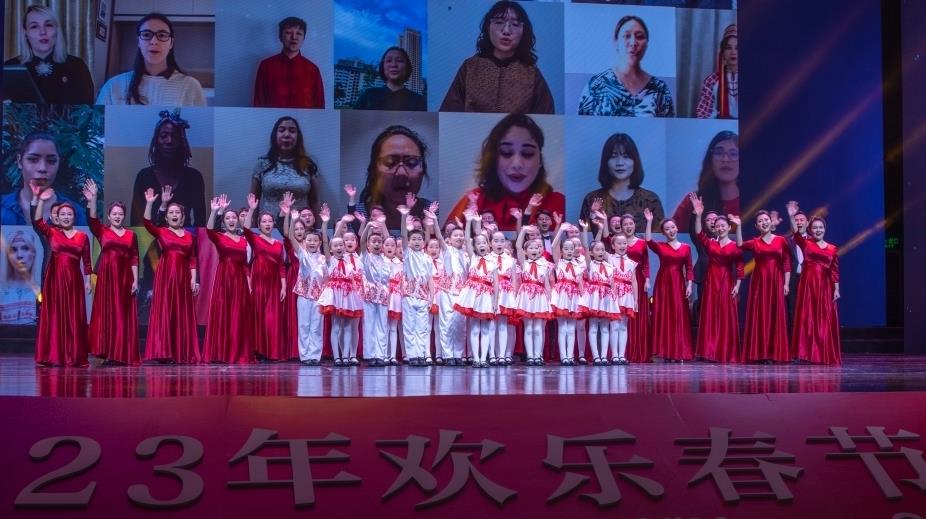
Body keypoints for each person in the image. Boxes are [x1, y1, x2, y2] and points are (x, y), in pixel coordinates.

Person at [445, 113, 564, 231]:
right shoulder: (473, 200)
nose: (517, 164)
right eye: (506, 152)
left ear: (540, 161)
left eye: (527, 153)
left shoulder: (558, 204)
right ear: (493, 159)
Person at [440, 1, 554, 114]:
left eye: (515, 24)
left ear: (524, 31)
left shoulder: (531, 74)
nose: (506, 31)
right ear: (488, 27)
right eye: (499, 22)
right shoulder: (470, 68)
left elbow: (547, 120)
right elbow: (448, 116)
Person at [31, 187, 91, 367]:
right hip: (54, 281)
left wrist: (88, 281)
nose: (66, 217)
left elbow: (87, 262)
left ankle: (74, 355)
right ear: (57, 217)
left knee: (73, 316)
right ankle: (54, 355)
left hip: (74, 281)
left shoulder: (82, 237)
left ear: (74, 217)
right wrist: (41, 200)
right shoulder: (52, 233)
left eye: (69, 214)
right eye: (62, 214)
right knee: (55, 316)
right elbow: (38, 221)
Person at [83, 180, 140, 365]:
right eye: (114, 214)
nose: (117, 216)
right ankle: (108, 352)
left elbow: (134, 258)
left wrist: (135, 280)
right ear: (108, 215)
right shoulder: (103, 231)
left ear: (124, 216)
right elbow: (92, 220)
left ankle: (121, 353)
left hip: (125, 279)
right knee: (108, 314)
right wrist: (93, 198)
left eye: (120, 214)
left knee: (122, 314)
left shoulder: (131, 235)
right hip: (107, 278)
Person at [142, 186, 200, 363]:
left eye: (177, 212)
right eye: (171, 212)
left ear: (182, 217)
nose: (174, 214)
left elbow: (192, 259)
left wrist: (194, 280)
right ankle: (163, 350)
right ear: (166, 217)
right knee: (166, 310)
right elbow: (147, 223)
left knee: (181, 312)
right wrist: (154, 203)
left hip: (183, 278)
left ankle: (180, 351)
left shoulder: (190, 237)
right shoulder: (162, 232)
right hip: (166, 277)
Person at [96, 13, 206, 105]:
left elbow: (202, 123)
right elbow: (98, 124)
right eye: (146, 35)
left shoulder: (191, 86)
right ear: (139, 42)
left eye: (162, 35)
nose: (154, 41)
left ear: (171, 43)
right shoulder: (112, 86)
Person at [578, 15, 674, 116]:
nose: (633, 43)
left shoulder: (660, 89)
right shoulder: (596, 86)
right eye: (627, 36)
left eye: (640, 37)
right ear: (616, 42)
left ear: (646, 44)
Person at [130, 110, 206, 226]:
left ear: (182, 141)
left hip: (185, 237)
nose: (169, 141)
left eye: (175, 136)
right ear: (156, 140)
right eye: (163, 136)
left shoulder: (194, 177)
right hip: (150, 237)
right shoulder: (144, 176)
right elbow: (136, 221)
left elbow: (200, 223)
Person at [787, 202, 841, 364]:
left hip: (824, 286)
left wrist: (836, 289)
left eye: (821, 228)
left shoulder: (832, 248)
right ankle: (805, 354)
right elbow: (796, 233)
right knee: (806, 319)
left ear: (825, 229)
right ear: (810, 230)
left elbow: (834, 271)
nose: (818, 230)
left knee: (822, 319)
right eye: (815, 228)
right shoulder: (806, 243)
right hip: (808, 286)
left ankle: (822, 353)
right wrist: (792, 216)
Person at [202, 194, 253, 364]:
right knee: (223, 314)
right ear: (223, 222)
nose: (231, 220)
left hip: (240, 281)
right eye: (228, 218)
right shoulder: (220, 237)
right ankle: (221, 352)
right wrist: (214, 211)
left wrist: (248, 283)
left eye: (234, 218)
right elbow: (209, 230)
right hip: (224, 279)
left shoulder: (243, 241)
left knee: (238, 315)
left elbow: (245, 265)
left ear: (238, 220)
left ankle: (237, 352)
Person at [4, 5, 93, 104]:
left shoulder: (77, 66)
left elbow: (87, 109)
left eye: (48, 25)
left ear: (57, 30)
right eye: (34, 26)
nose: (43, 32)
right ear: (25, 33)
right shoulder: (10, 67)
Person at [734, 211, 791, 363]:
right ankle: (760, 352)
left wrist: (786, 283)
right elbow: (739, 245)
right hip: (760, 282)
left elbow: (786, 263)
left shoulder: (781, 240)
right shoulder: (755, 242)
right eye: (760, 221)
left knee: (776, 315)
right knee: (761, 315)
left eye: (766, 220)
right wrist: (738, 226)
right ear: (756, 226)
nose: (764, 222)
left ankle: (776, 353)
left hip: (776, 280)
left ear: (771, 222)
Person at [690, 195, 742, 363]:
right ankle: (710, 351)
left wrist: (738, 285)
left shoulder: (734, 246)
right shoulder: (711, 243)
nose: (719, 228)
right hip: (711, 280)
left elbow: (739, 266)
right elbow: (699, 233)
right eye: (717, 226)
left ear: (728, 227)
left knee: (725, 315)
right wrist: (699, 215)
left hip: (726, 281)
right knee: (710, 314)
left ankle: (725, 351)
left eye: (722, 225)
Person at [351, 126, 433, 231]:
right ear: (374, 170)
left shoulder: (435, 213)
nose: (401, 173)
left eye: (412, 162)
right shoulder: (357, 215)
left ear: (423, 169)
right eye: (389, 162)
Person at [578, 133, 664, 232]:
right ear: (605, 161)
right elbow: (584, 234)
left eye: (626, 156)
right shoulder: (592, 199)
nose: (620, 163)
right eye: (613, 156)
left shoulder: (650, 200)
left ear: (635, 161)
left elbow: (660, 236)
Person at [3, 132, 87, 226]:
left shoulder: (77, 214)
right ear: (19, 161)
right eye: (33, 160)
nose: (42, 168)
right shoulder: (3, 208)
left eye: (51, 161)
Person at [644, 208, 694, 361]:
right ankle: (666, 351)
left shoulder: (686, 247)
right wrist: (649, 222)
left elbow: (689, 268)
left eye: (672, 227)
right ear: (663, 232)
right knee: (664, 316)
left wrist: (689, 285)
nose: (671, 231)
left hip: (678, 283)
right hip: (664, 284)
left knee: (679, 316)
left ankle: (680, 351)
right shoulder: (661, 246)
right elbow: (648, 241)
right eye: (667, 229)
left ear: (677, 228)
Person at [243, 194, 288, 362]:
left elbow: (281, 266)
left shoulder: (278, 244)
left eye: (270, 221)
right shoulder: (255, 239)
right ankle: (259, 350)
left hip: (274, 284)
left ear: (273, 223)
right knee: (259, 316)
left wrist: (284, 286)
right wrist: (251, 210)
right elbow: (246, 229)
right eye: (264, 221)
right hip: (259, 282)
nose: (267, 224)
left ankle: (272, 351)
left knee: (272, 317)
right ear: (259, 224)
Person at [316, 206, 363, 366]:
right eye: (335, 246)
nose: (339, 247)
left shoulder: (350, 260)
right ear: (330, 249)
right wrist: (325, 223)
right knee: (336, 325)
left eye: (341, 245)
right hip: (335, 295)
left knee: (348, 326)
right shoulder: (330, 260)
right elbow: (325, 240)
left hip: (348, 295)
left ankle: (347, 356)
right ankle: (337, 357)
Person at [451, 212, 499, 368]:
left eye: (484, 243)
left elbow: (496, 284)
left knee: (485, 329)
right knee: (474, 329)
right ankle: (476, 358)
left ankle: (483, 358)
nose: (481, 245)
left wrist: (495, 302)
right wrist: (469, 221)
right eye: (478, 243)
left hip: (486, 296)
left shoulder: (493, 261)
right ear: (474, 246)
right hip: (472, 296)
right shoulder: (472, 257)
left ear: (488, 245)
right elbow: (466, 239)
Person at [250, 116, 320, 219]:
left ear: (298, 136)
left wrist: (319, 227)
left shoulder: (308, 164)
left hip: (300, 226)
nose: (286, 134)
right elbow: (253, 202)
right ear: (275, 135)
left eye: (292, 131)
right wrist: (252, 227)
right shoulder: (262, 164)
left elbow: (315, 202)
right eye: (282, 130)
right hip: (268, 226)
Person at [670, 131, 739, 232]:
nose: (725, 159)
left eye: (733, 154)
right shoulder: (693, 201)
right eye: (719, 153)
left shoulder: (752, 199)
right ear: (710, 159)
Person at [253, 16, 324, 108]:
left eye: (299, 33)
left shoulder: (313, 70)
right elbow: (258, 103)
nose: (294, 37)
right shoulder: (266, 66)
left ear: (304, 38)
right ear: (280, 37)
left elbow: (319, 106)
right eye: (288, 33)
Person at [399, 204, 435, 366]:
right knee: (409, 326)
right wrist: (403, 216)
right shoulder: (408, 254)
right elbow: (403, 235)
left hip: (423, 296)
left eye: (419, 239)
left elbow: (430, 279)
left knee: (422, 327)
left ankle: (421, 354)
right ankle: (412, 355)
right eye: (414, 239)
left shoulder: (427, 258)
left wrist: (432, 298)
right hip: (409, 295)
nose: (417, 241)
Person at [290, 213, 326, 365]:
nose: (312, 243)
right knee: (304, 325)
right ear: (304, 242)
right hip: (304, 295)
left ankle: (315, 355)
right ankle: (305, 356)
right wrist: (293, 220)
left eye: (315, 240)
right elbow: (291, 237)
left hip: (318, 297)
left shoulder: (323, 259)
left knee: (316, 326)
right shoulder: (302, 254)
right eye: (309, 240)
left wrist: (325, 223)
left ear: (319, 242)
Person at [515, 225, 553, 365]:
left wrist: (549, 301)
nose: (534, 250)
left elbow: (547, 284)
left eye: (536, 248)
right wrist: (523, 231)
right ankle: (530, 356)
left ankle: (538, 355)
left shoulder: (545, 265)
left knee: (538, 328)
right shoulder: (523, 263)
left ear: (540, 250)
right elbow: (518, 246)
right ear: (526, 251)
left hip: (540, 296)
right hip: (526, 296)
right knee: (529, 327)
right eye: (531, 248)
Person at [358, 216, 393, 366]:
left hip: (383, 295)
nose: (377, 244)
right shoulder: (366, 257)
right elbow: (361, 241)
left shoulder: (386, 260)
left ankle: (381, 355)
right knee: (370, 325)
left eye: (379, 242)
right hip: (369, 295)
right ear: (369, 244)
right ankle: (370, 355)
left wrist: (383, 225)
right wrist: (368, 227)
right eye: (374, 241)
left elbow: (387, 238)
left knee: (382, 325)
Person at [617, 214, 652, 363]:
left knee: (638, 314)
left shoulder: (642, 243)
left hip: (638, 280)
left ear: (634, 225)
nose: (628, 226)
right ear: (621, 227)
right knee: (623, 315)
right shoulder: (618, 242)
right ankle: (622, 353)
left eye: (630, 223)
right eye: (625, 224)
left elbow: (646, 263)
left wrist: (647, 279)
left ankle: (639, 351)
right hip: (622, 280)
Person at [550, 224, 585, 365]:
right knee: (562, 327)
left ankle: (570, 356)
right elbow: (553, 246)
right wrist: (560, 231)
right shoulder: (559, 262)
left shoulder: (579, 265)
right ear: (562, 251)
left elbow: (580, 283)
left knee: (571, 328)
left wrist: (582, 300)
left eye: (571, 248)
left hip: (574, 296)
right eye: (566, 248)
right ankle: (563, 356)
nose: (569, 251)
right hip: (562, 295)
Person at [355, 47, 426, 111]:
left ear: (407, 67)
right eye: (389, 61)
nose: (393, 65)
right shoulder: (369, 95)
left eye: (399, 60)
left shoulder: (418, 100)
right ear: (382, 67)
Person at [608, 234, 639, 365]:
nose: (622, 246)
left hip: (627, 295)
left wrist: (635, 300)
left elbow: (634, 281)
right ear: (613, 246)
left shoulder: (631, 263)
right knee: (614, 325)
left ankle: (622, 355)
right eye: (619, 243)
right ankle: (614, 355)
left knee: (623, 326)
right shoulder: (609, 258)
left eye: (624, 243)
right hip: (614, 294)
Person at [695, 24, 738, 119]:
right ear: (723, 52)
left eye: (737, 48)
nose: (733, 52)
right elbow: (702, 115)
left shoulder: (753, 79)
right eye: (728, 48)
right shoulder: (711, 80)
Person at [490, 230, 519, 365]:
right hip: (491, 292)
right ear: (491, 243)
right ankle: (492, 355)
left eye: (502, 241)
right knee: (491, 325)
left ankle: (502, 355)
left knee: (502, 325)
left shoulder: (510, 260)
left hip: (506, 293)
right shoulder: (488, 258)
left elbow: (514, 279)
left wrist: (513, 296)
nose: (499, 244)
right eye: (496, 241)